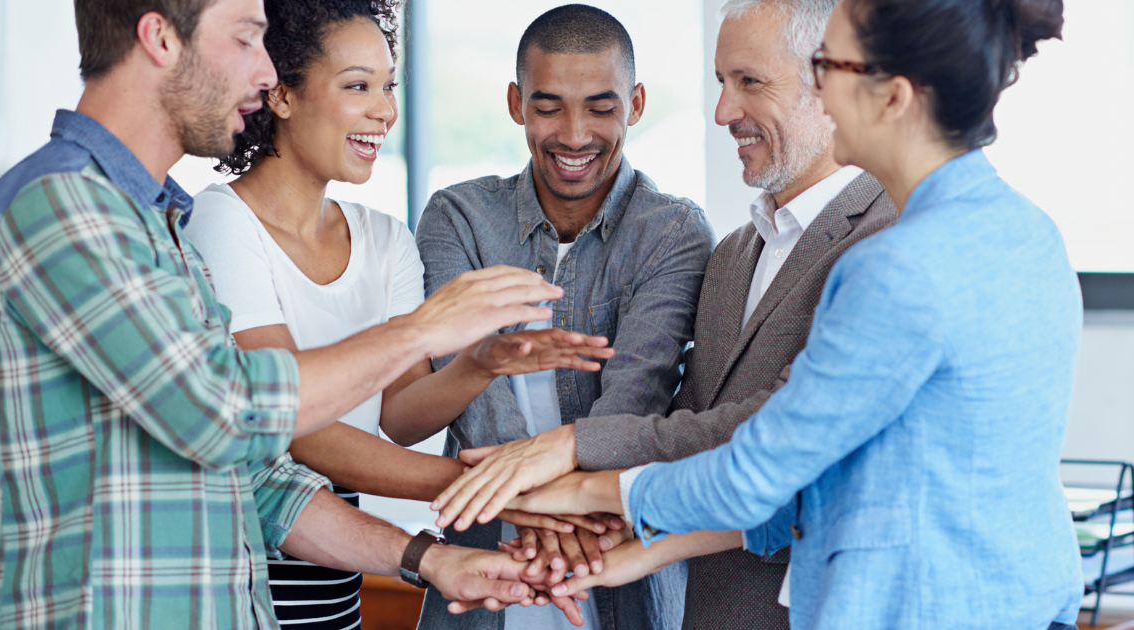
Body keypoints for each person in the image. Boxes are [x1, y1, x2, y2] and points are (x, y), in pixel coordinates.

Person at [436, 0, 1086, 628]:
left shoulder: (899, 264)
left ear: (894, 98)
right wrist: (646, 549)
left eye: (830, 68)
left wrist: (575, 490)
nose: (823, 92)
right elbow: (827, 478)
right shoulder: (1027, 232)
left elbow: (759, 470)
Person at [0, 0, 571, 627]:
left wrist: (429, 559)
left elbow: (259, 476)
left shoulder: (156, 227)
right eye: (248, 40)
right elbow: (226, 411)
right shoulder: (63, 207)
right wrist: (422, 330)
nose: (265, 73)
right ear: (159, 38)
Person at [182, 1, 618, 627]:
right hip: (248, 574)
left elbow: (403, 417)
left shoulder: (383, 238)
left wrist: (479, 364)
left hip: (339, 577)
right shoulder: (223, 222)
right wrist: (494, 488)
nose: (386, 110)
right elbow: (289, 423)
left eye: (388, 86)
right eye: (358, 85)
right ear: (279, 93)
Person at [416, 5, 716, 630]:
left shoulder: (674, 231)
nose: (575, 134)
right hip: (484, 564)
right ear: (515, 102)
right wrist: (549, 513)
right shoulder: (458, 217)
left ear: (634, 104)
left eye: (601, 107)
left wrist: (560, 509)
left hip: (618, 573)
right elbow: (470, 392)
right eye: (548, 106)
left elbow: (635, 399)